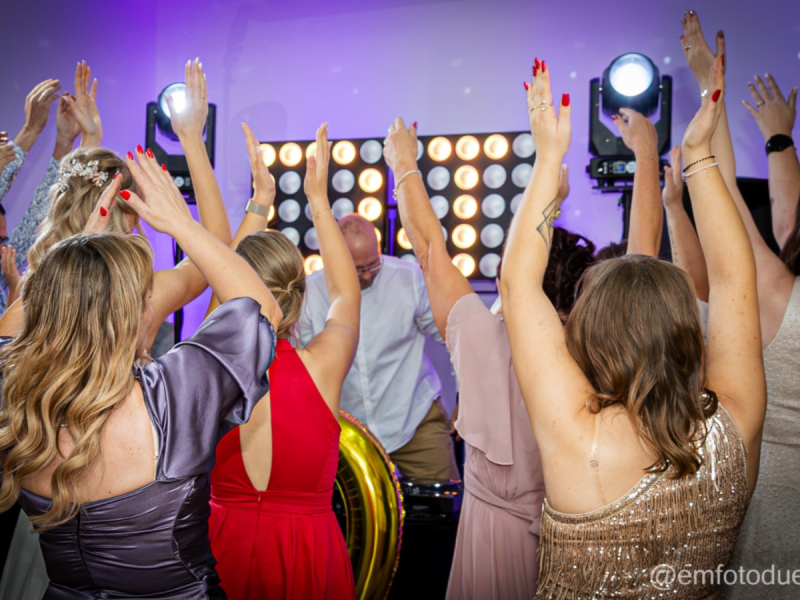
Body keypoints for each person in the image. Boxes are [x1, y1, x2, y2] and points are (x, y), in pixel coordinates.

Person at [503, 55, 764, 598]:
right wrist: (698, 155)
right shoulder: (735, 425)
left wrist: (548, 157)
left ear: (587, 336)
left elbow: (518, 284)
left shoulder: (578, 436)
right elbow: (736, 277)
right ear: (688, 332)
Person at [0, 147, 282, 599]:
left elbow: (11, 332)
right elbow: (261, 309)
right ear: (129, 315)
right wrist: (181, 223)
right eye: (144, 298)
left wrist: (69, 263)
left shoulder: (17, 400)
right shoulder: (171, 398)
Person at [384, 114, 596, 599]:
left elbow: (429, 249)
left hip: (489, 537)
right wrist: (551, 207)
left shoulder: (479, 335)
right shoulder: (596, 352)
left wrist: (404, 165)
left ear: (506, 280)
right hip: (565, 543)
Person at [673, 13, 800, 598]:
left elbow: (727, 204)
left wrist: (710, 91)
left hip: (771, 503)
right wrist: (779, 141)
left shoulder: (780, 294)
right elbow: (784, 219)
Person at [209, 123, 359, 600]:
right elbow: (346, 292)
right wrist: (318, 200)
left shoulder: (208, 365)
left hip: (221, 550)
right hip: (306, 553)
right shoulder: (323, 367)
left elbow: (222, 283)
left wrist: (261, 201)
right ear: (297, 291)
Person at [0, 59, 231, 352]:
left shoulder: (32, 298)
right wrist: (192, 140)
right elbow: (218, 248)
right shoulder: (139, 303)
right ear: (131, 216)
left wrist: (90, 139)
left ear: (61, 208)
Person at [297, 211, 458, 481]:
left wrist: (466, 397)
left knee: (441, 501)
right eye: (357, 269)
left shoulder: (409, 278)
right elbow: (302, 367)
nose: (367, 276)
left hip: (414, 419)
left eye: (373, 265)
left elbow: (454, 337)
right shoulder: (310, 293)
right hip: (344, 431)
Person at [0, 72, 92, 316]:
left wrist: (63, 141)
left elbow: (39, 216)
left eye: (2, 240)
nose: (3, 248)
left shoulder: (4, 262)